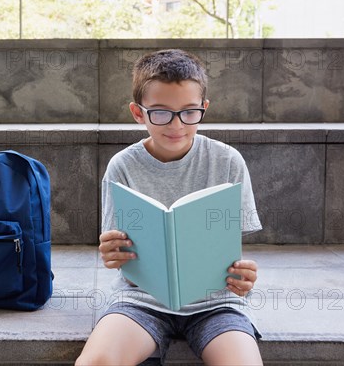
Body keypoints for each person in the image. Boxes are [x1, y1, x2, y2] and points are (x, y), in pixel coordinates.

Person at [75, 49, 263, 366]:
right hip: (140, 300)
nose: (176, 125)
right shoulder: (122, 166)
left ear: (204, 109)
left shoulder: (228, 161)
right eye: (161, 112)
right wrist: (112, 254)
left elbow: (232, 251)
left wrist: (242, 277)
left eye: (189, 112)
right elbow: (118, 253)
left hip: (215, 303)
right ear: (138, 113)